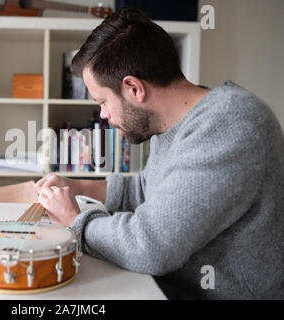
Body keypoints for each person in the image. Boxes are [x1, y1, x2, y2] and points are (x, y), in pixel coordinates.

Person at [35, 7, 284, 300]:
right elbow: (153, 190)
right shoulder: (173, 121)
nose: (103, 115)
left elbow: (150, 246)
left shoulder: (229, 126)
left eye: (102, 101)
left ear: (133, 88)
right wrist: (78, 186)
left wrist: (76, 223)